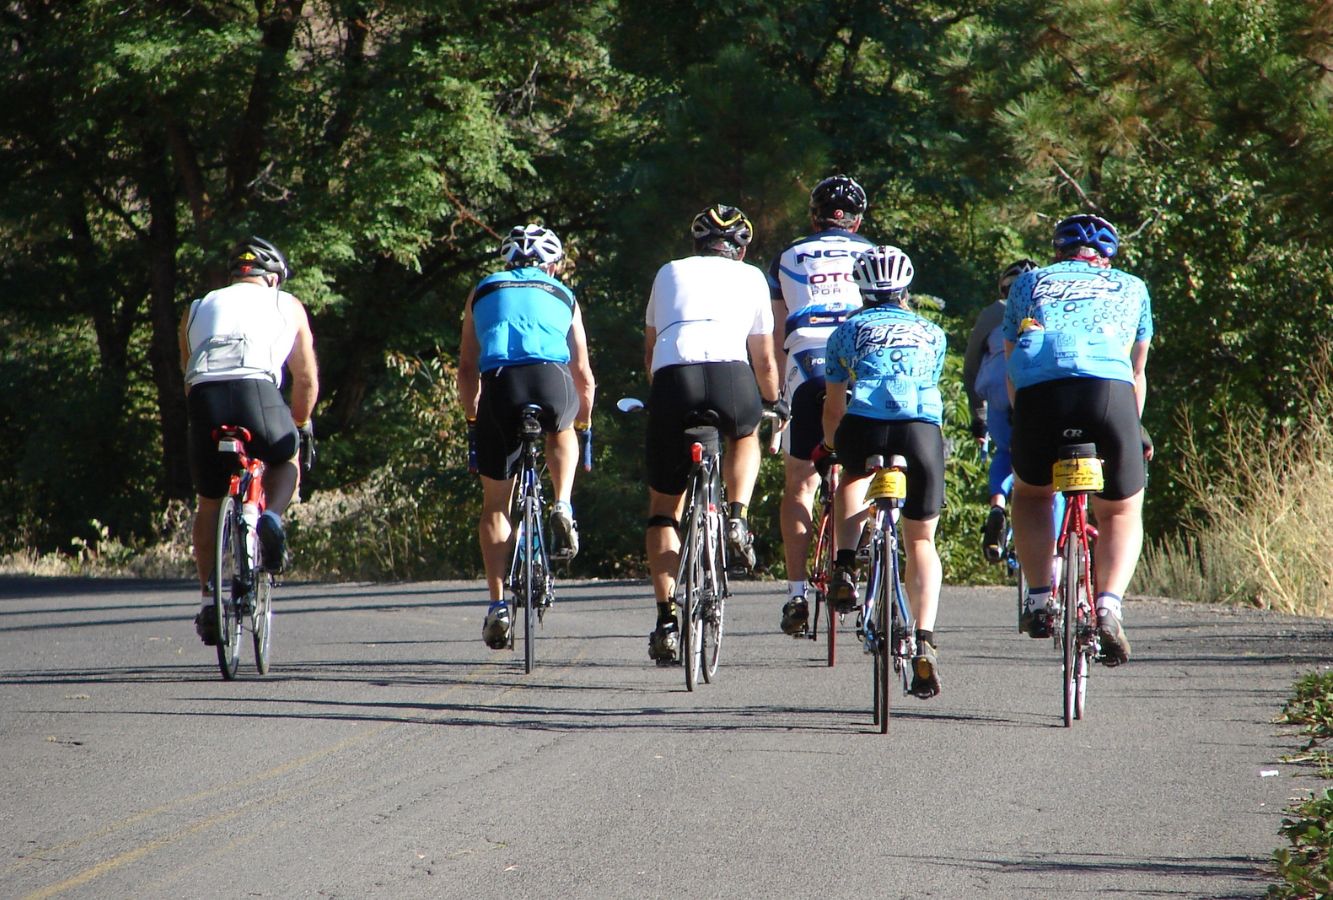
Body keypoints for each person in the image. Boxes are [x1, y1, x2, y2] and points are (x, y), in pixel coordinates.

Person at [1003, 213, 1152, 665]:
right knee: (1122, 508)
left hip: (1040, 397)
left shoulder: (1028, 284)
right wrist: (1130, 427)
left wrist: (1023, 420)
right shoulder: (1133, 286)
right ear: (1107, 258)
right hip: (1109, 396)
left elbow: (1013, 368)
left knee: (1031, 496)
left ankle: (1039, 598)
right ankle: (1108, 606)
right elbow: (1137, 371)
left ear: (1058, 253)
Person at [643, 204, 781, 663]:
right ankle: (737, 514)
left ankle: (666, 619)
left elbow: (650, 350)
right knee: (746, 435)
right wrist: (774, 402)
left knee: (663, 513)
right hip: (731, 377)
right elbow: (763, 360)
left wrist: (664, 399)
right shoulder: (753, 277)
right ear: (741, 248)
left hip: (673, 379)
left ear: (696, 243)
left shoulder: (668, 272)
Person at [814, 245, 947, 698]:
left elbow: (833, 407)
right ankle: (924, 639)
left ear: (862, 289)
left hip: (864, 426)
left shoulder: (846, 332)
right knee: (922, 541)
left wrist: (833, 448)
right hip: (919, 433)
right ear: (906, 290)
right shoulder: (932, 332)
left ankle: (846, 566)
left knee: (851, 475)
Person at [457, 224, 596, 650]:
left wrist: (473, 421)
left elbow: (466, 368)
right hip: (551, 379)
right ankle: (562, 502)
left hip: (501, 383)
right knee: (563, 429)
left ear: (507, 262)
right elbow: (584, 377)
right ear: (552, 263)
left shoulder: (482, 290)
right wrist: (585, 426)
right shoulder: (562, 293)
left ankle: (498, 605)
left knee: (495, 505)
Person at [179, 236, 318, 645]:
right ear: (273, 278)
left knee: (208, 502)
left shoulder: (198, 306)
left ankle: (208, 601)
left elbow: (187, 371)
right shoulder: (286, 304)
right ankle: (271, 517)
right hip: (256, 391)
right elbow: (306, 378)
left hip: (205, 398)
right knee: (285, 455)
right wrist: (301, 423)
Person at [767, 174, 874, 636]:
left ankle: (795, 594)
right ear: (857, 221)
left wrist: (774, 397)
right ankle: (859, 545)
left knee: (799, 484)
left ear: (814, 218)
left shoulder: (788, 256)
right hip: (861, 357)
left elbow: (774, 336)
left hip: (807, 361)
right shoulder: (874, 256)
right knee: (865, 466)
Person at [962, 259, 1038, 562]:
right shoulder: (1053, 309)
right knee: (1053, 475)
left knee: (1005, 453)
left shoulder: (992, 314)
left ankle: (997, 506)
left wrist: (978, 418)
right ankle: (1056, 544)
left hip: (1000, 401)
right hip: (1045, 398)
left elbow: (971, 367)